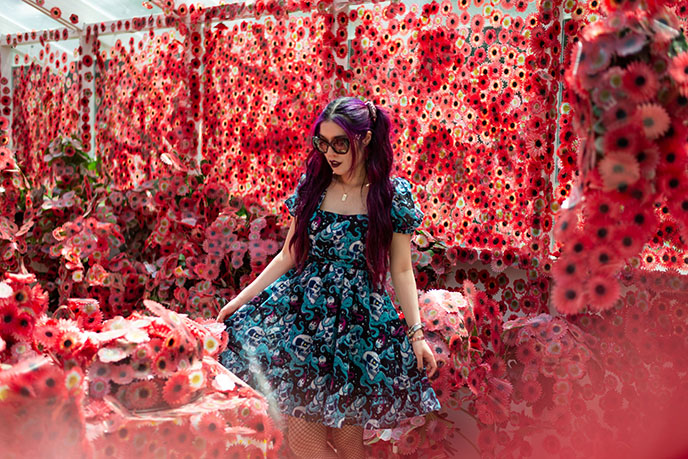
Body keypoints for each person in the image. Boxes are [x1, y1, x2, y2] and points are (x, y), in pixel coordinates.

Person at [216, 97, 440, 458]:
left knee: (349, 444)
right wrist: (240, 300)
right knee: (306, 442)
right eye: (323, 142)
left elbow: (400, 269)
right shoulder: (314, 186)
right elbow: (290, 252)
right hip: (303, 321)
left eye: (340, 143)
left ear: (365, 140)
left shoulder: (391, 195)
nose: (330, 153)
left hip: (355, 331)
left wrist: (417, 335)